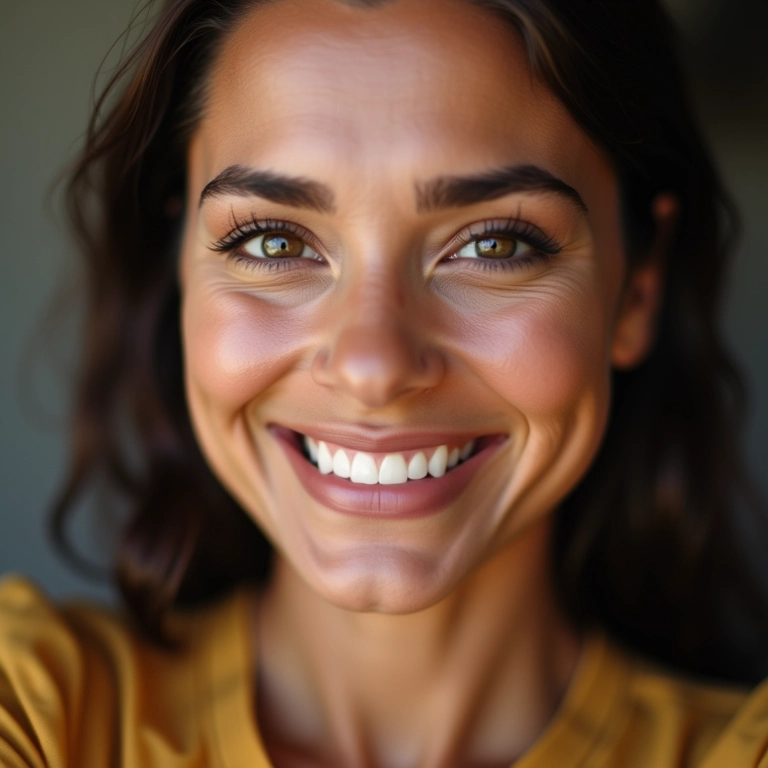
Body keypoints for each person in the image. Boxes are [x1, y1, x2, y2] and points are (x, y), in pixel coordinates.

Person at [1, 0, 767, 765]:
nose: (373, 366)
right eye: (272, 239)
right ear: (180, 267)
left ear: (638, 287)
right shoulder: (41, 709)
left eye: (495, 243)